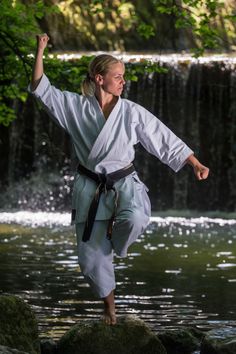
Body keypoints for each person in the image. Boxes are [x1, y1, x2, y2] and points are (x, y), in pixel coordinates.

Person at [29, 33, 209, 326]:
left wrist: (194, 162)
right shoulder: (76, 107)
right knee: (90, 260)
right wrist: (40, 50)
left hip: (125, 184)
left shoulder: (131, 111)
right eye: (118, 76)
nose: (123, 81)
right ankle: (109, 308)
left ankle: (117, 243)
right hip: (90, 187)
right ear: (99, 79)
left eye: (123, 76)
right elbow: (41, 88)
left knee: (136, 218)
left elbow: (161, 137)